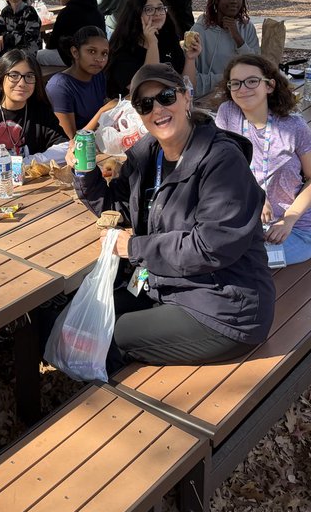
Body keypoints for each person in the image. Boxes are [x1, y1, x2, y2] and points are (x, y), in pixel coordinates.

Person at [71, 63, 275, 371]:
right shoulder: (146, 152)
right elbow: (118, 210)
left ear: (186, 98)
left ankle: (111, 412)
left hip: (224, 309)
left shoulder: (222, 161)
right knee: (82, 319)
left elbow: (210, 247)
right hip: (168, 287)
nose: (158, 109)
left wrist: (135, 248)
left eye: (166, 96)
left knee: (104, 333)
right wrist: (85, 173)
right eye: (145, 104)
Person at [214, 55, 311, 267]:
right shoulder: (228, 114)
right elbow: (223, 166)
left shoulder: (294, 127)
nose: (242, 88)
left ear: (270, 86)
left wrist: (289, 220)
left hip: (295, 230)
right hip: (245, 225)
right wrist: (254, 193)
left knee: (242, 263)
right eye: (235, 83)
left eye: (252, 81)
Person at [0, 51, 68, 195]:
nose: (21, 83)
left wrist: (27, 161)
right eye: (14, 76)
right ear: (1, 80)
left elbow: (64, 147)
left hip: (29, 187)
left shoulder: (39, 110)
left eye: (29, 76)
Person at [106, 0, 199, 100]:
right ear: (136, 14)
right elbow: (146, 89)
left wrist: (190, 59)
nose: (157, 14)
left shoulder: (168, 41)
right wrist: (152, 44)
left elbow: (187, 88)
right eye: (149, 9)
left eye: (160, 8)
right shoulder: (122, 50)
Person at [191, 0, 260, 98]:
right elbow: (191, 80)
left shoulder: (247, 28)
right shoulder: (199, 31)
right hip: (208, 98)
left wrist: (237, 36)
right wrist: (229, 80)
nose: (234, 1)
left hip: (244, 95)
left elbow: (256, 68)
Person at [45, 26, 112, 138]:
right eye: (92, 51)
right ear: (75, 52)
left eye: (104, 53)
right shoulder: (59, 86)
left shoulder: (98, 76)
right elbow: (70, 140)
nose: (99, 59)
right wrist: (103, 111)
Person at [39, 0, 104, 67]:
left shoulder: (67, 12)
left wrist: (48, 38)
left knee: (37, 56)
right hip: (98, 53)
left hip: (76, 57)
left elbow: (52, 44)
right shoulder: (94, 8)